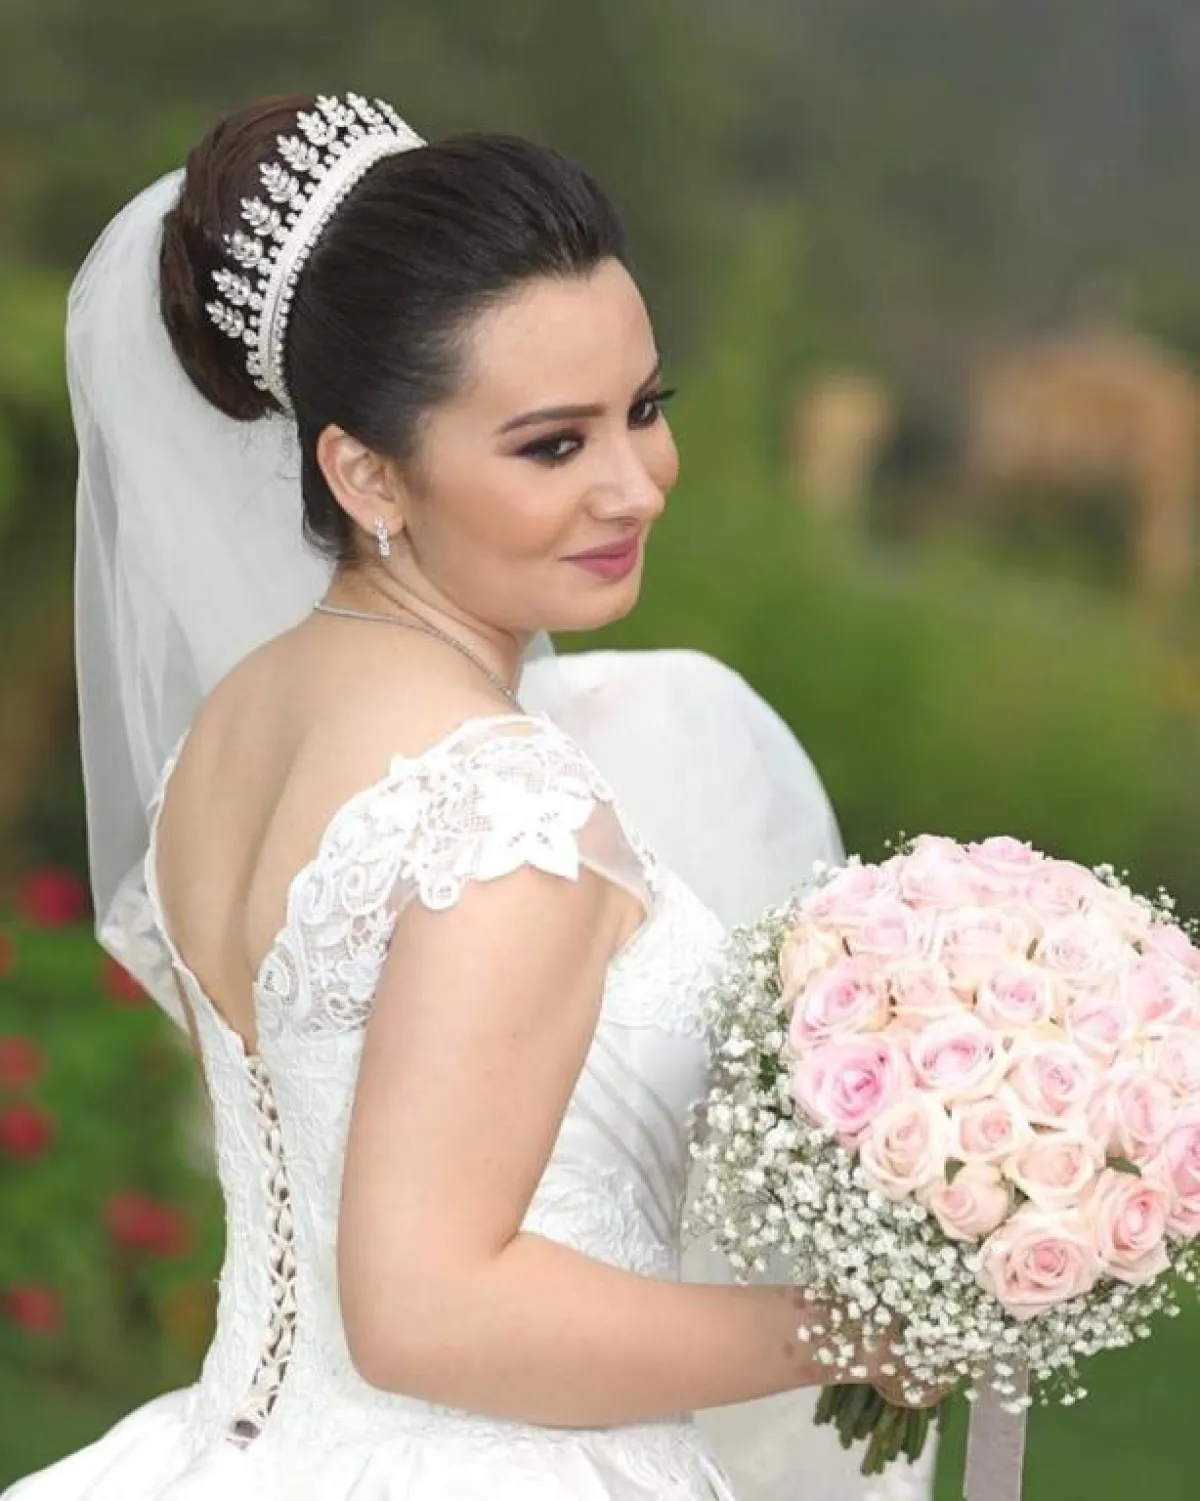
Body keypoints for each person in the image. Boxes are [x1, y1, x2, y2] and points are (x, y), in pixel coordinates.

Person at [5, 93, 937, 1501]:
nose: (637, 486)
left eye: (644, 410)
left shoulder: (234, 731)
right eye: (554, 444)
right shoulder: (501, 807)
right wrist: (859, 1328)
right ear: (365, 472)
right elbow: (430, 1313)